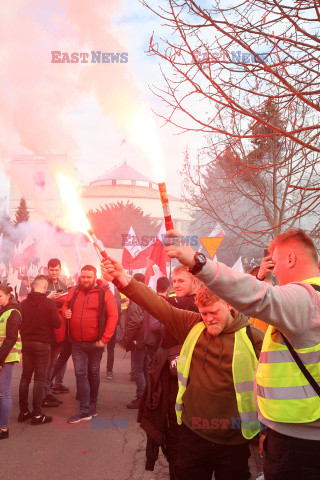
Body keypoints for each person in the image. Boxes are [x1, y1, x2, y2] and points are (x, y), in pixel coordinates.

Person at [162, 227, 320, 480]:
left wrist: (197, 261)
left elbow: (259, 297)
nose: (273, 270)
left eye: (274, 262)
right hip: (294, 432)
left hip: (299, 444)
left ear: (291, 258)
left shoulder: (307, 299)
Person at [101, 258, 264, 480]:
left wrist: (269, 431)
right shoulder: (192, 324)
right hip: (193, 435)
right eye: (204, 313)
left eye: (213, 312)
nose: (208, 320)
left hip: (234, 441)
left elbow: (273, 386)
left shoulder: (253, 337)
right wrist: (123, 278)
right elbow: (156, 305)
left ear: (229, 305)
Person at [140, 268, 199, 480]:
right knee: (178, 437)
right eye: (174, 281)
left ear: (196, 283)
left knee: (177, 438)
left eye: (182, 280)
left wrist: (125, 282)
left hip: (181, 384)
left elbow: (154, 303)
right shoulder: (180, 303)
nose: (177, 284)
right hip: (177, 380)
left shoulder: (184, 305)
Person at [63, 265, 118, 423]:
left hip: (96, 343)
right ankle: (85, 409)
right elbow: (66, 305)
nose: (85, 279)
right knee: (80, 374)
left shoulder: (104, 292)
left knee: (93, 374)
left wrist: (105, 339)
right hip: (77, 342)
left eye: (89, 277)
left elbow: (113, 316)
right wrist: (65, 311)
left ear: (95, 277)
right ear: (80, 276)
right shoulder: (74, 290)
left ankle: (92, 403)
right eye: (83, 277)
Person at [18, 275, 61, 425]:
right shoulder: (49, 303)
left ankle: (23, 411)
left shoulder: (23, 303)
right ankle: (37, 414)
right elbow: (57, 324)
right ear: (44, 287)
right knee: (39, 379)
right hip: (42, 344)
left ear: (33, 286)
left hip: (27, 343)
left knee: (25, 377)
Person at [42, 258, 69, 408]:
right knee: (44, 363)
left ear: (60, 269)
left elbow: (67, 304)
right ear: (47, 269)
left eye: (56, 270)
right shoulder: (41, 282)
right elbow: (34, 303)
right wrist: (48, 299)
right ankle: (42, 393)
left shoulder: (63, 285)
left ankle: (48, 390)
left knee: (52, 362)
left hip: (59, 328)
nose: (54, 272)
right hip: (45, 328)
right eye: (51, 270)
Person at [121, 273, 149, 409]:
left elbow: (134, 322)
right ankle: (147, 397)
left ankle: (142, 397)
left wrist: (125, 340)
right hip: (147, 339)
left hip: (138, 341)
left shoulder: (137, 299)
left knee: (138, 370)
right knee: (145, 369)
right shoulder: (147, 296)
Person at [0, 284, 21, 439]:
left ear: (8, 295)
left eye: (0, 296)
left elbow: (11, 338)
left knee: (3, 394)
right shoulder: (2, 310)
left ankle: (4, 429)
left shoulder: (13, 312)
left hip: (5, 358)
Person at [106, 284, 121, 380]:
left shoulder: (117, 297)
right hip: (106, 326)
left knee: (110, 349)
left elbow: (118, 312)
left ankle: (109, 370)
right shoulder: (105, 294)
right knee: (99, 349)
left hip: (112, 326)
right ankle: (96, 369)